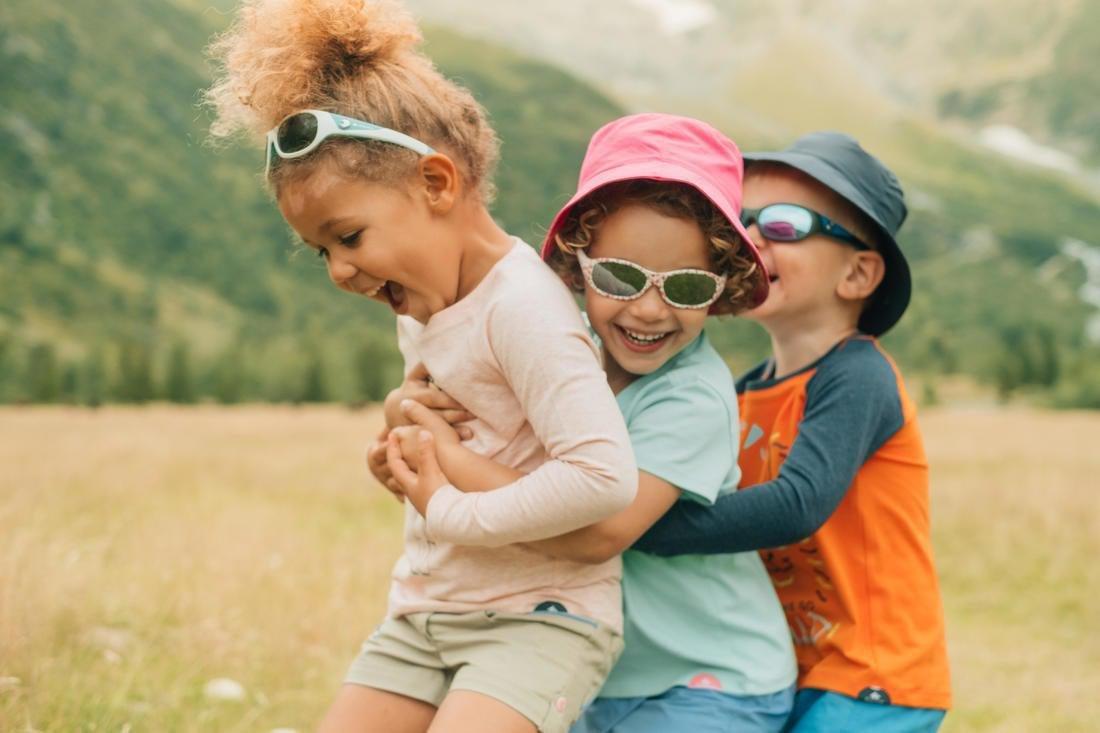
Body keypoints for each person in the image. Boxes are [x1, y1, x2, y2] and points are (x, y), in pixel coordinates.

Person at [205, 2, 638, 732]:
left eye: (347, 237)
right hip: (424, 613)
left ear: (436, 184)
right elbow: (460, 420)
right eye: (322, 251)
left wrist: (453, 510)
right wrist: (398, 428)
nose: (340, 271)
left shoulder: (525, 307)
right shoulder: (422, 303)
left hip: (540, 618)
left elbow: (602, 476)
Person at [385, 114, 797, 733]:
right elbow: (463, 415)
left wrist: (441, 466)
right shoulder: (562, 357)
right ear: (580, 265)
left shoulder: (691, 400)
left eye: (685, 286)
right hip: (585, 665)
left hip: (709, 679)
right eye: (620, 276)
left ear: (719, 288)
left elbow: (596, 534)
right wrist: (406, 420)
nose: (649, 309)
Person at [631, 132, 952, 732]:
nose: (750, 239)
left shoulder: (857, 376)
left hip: (873, 675)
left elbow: (795, 506)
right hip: (783, 666)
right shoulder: (743, 391)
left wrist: (631, 526)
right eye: (741, 221)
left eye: (782, 224)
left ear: (858, 274)